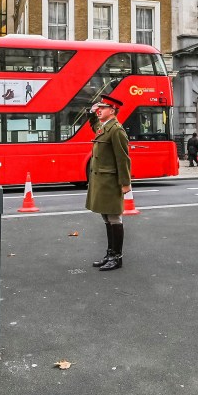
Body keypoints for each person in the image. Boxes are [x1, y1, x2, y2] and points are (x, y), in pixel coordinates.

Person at [85, 94, 132, 272]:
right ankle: (110, 253)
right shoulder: (104, 127)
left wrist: (125, 183)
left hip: (111, 181)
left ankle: (117, 257)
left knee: (114, 218)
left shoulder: (116, 130)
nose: (99, 110)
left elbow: (123, 159)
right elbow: (93, 125)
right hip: (102, 181)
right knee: (106, 217)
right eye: (98, 108)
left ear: (112, 111)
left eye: (102, 108)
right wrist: (90, 112)